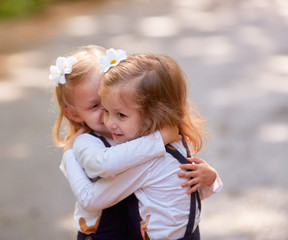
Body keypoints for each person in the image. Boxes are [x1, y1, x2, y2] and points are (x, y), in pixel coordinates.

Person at [60, 51, 223, 240]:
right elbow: (94, 188)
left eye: (120, 114)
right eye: (103, 109)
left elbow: (177, 195)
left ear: (154, 114)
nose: (109, 122)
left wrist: (209, 178)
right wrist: (68, 154)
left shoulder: (158, 143)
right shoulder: (147, 148)